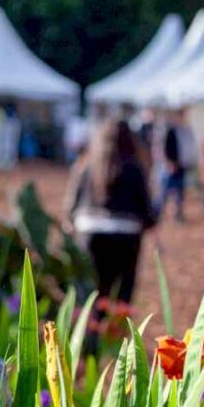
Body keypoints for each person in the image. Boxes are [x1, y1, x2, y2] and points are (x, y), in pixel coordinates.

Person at [65, 119, 156, 304]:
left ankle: (92, 329)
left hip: (89, 232)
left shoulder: (86, 165)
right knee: (122, 295)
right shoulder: (134, 168)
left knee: (91, 293)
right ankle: (116, 331)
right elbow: (146, 210)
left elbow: (71, 206)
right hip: (126, 236)